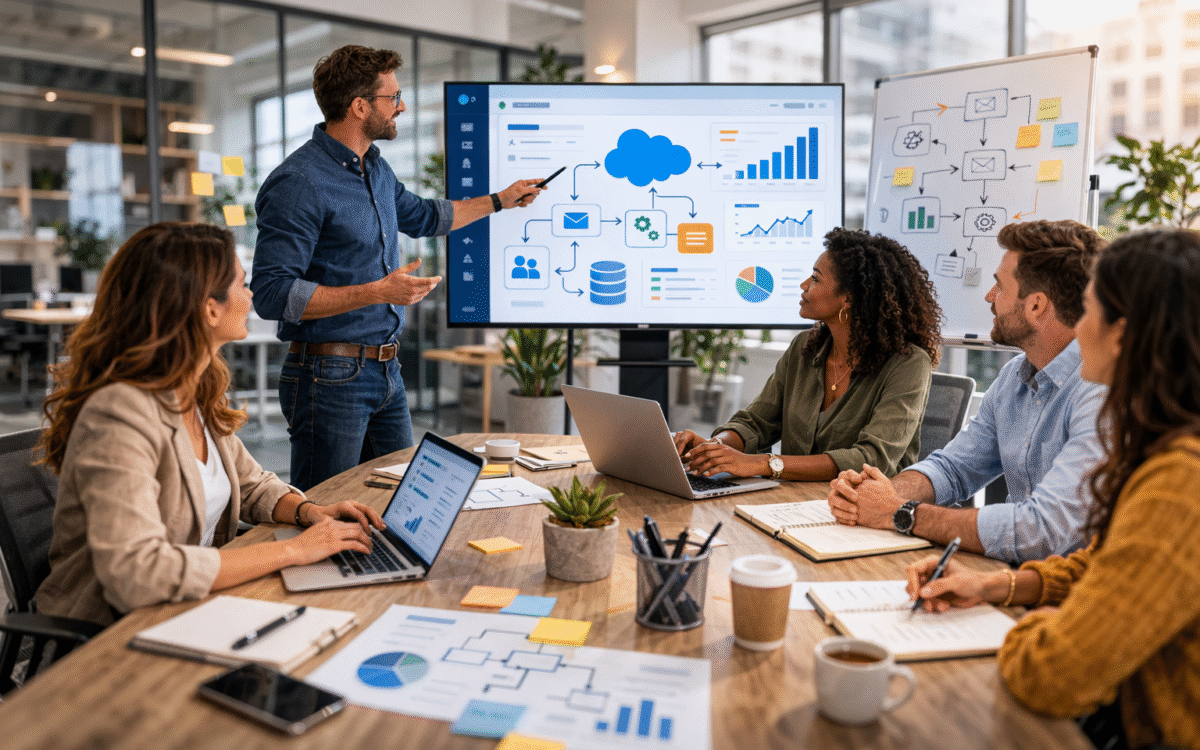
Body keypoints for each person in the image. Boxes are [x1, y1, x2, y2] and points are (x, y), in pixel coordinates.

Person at [904, 228, 1200, 749]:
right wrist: (1000, 588)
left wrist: (1027, 625)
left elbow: (1054, 675)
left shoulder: (1181, 485)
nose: (1078, 327)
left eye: (1089, 312)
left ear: (1122, 336)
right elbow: (1105, 562)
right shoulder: (1167, 447)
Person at [34, 223, 384, 627]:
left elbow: (251, 486)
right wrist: (294, 551)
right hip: (109, 632)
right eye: (241, 284)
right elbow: (137, 573)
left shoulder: (193, 391)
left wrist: (309, 512)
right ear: (210, 308)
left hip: (185, 607)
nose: (250, 295)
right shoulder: (120, 413)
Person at [251, 45, 546, 491]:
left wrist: (501, 200)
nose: (401, 106)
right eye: (394, 97)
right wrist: (377, 292)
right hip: (328, 376)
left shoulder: (376, 170)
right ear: (359, 106)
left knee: (402, 501)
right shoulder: (299, 182)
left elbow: (426, 216)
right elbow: (272, 294)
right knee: (326, 507)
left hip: (386, 370)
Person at [827, 220, 1108, 564]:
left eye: (999, 286)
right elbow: (954, 468)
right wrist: (878, 495)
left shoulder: (1100, 391)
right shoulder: (1013, 378)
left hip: (1072, 588)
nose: (989, 296)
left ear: (1036, 306)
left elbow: (1040, 530)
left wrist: (901, 513)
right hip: (1009, 576)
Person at [674, 227, 942, 482]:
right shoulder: (804, 348)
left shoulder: (908, 364)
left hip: (862, 506)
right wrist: (713, 448)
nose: (803, 285)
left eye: (815, 278)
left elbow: (872, 459)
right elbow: (756, 423)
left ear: (849, 297)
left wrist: (763, 464)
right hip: (790, 502)